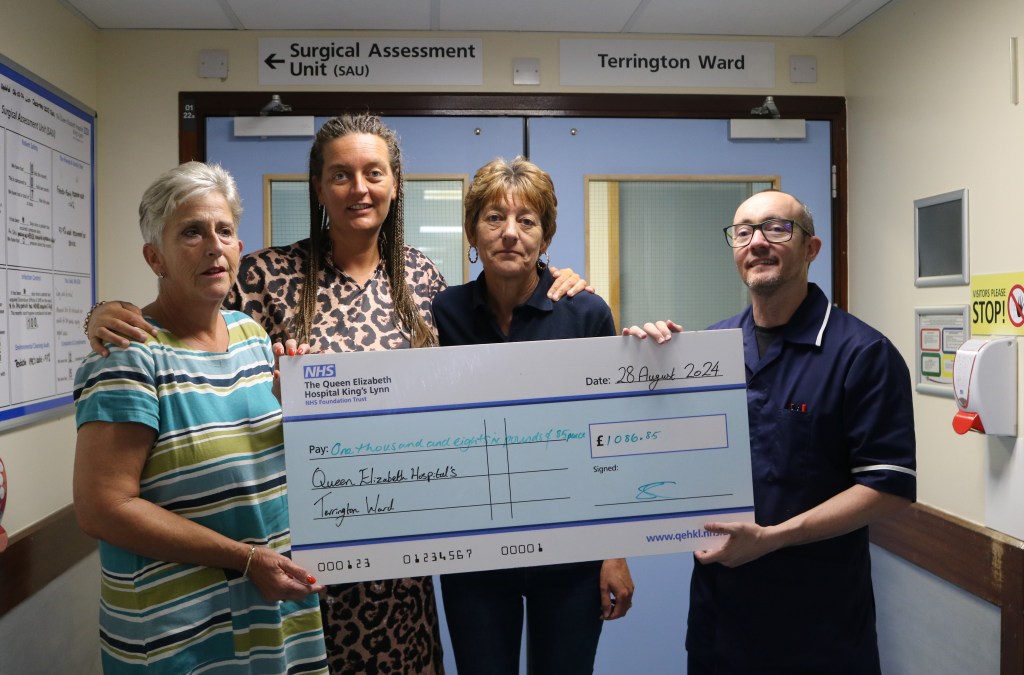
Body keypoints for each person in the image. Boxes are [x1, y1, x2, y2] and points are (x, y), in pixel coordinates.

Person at [84, 114, 587, 674]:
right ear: (319, 187)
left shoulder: (423, 279)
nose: (359, 189)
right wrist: (102, 313)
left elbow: (486, 364)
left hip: (402, 564)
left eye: (374, 173)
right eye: (340, 175)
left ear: (395, 183)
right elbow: (188, 324)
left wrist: (557, 281)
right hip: (298, 563)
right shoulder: (265, 276)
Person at [626, 189, 916, 674]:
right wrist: (640, 366)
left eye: (776, 228)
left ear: (811, 248)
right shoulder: (706, 354)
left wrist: (774, 537)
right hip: (720, 625)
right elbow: (660, 452)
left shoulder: (861, 354)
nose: (757, 242)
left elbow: (889, 487)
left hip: (818, 631)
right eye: (744, 232)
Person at [73, 162, 328, 674]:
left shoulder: (253, 337)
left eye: (225, 231)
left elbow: (258, 470)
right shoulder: (129, 356)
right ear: (155, 257)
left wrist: (298, 408)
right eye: (192, 231)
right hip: (181, 634)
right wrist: (245, 558)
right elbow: (102, 509)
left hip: (272, 611)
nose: (214, 245)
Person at [433, 157, 635, 675]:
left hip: (570, 556)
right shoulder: (442, 313)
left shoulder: (585, 313)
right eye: (494, 218)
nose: (509, 234)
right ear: (472, 233)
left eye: (527, 221)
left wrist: (613, 551)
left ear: (546, 239)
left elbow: (606, 438)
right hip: (473, 554)